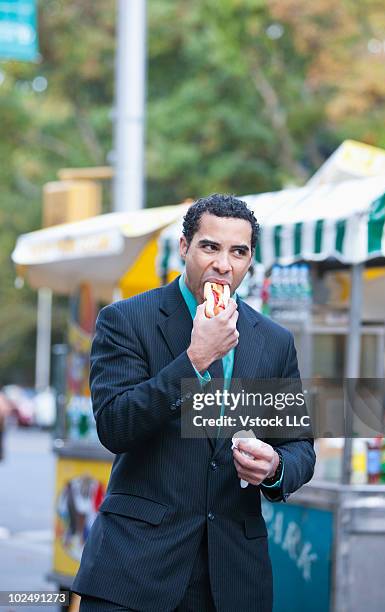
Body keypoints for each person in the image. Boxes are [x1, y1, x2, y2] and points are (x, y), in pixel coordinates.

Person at [72, 194, 315, 611]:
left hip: (233, 576)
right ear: (184, 247)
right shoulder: (126, 320)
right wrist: (194, 360)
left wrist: (274, 467)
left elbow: (300, 448)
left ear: (250, 259)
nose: (223, 264)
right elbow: (115, 426)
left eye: (238, 251)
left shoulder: (274, 341)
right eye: (210, 247)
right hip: (135, 567)